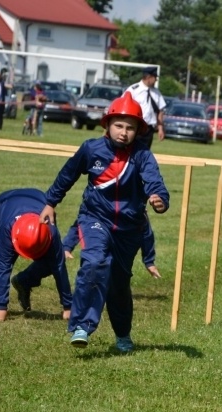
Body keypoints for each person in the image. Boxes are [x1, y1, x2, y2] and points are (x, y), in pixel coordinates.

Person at [39, 92, 170, 352]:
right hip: (95, 218)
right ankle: (81, 326)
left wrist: (160, 200)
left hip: (129, 228)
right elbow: (67, 175)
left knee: (119, 283)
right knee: (95, 262)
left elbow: (155, 182)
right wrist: (50, 202)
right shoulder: (91, 149)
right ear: (107, 125)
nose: (124, 132)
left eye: (130, 128)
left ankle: (123, 336)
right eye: (119, 126)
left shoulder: (142, 156)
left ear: (138, 131)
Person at [0, 188, 72, 322]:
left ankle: (23, 281)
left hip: (39, 198)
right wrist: (0, 309)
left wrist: (68, 307)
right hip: (5, 203)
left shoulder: (51, 231)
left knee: (50, 263)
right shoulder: (6, 229)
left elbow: (59, 267)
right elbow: (2, 266)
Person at [62, 211, 162, 279]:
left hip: (124, 244)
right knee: (95, 264)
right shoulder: (98, 203)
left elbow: (146, 234)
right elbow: (81, 223)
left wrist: (149, 262)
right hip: (101, 236)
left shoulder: (136, 209)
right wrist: (67, 246)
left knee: (121, 277)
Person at [124, 66, 167, 149]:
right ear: (149, 77)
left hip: (149, 129)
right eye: (155, 78)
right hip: (136, 126)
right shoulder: (133, 90)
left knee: (145, 152)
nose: (156, 80)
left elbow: (160, 110)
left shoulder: (156, 92)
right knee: (130, 150)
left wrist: (160, 128)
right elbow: (124, 105)